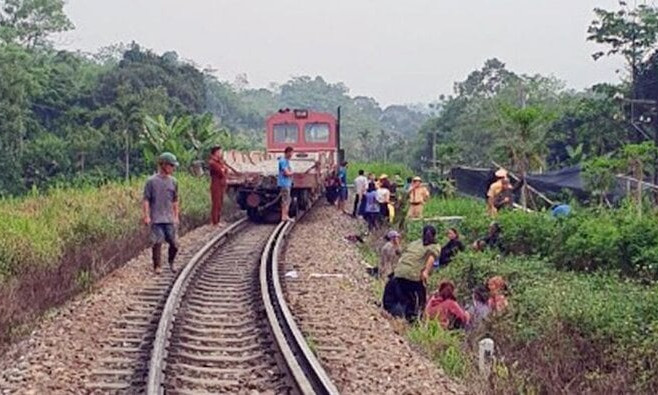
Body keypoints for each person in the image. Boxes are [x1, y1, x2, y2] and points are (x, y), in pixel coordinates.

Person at [384, 225, 441, 321]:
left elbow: (403, 254)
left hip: (399, 272)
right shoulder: (434, 246)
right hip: (412, 275)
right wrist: (426, 272)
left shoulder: (415, 243)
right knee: (418, 299)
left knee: (397, 294)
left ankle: (394, 313)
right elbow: (431, 259)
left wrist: (397, 245)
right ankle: (413, 318)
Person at [143, 152, 180, 274]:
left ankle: (171, 262)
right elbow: (146, 200)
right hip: (157, 218)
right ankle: (157, 266)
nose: (173, 168)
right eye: (171, 165)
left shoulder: (174, 182)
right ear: (163, 165)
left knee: (174, 244)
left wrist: (176, 216)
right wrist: (147, 216)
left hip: (169, 218)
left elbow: (175, 200)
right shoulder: (151, 181)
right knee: (157, 242)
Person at [208, 146, 239, 226]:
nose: (221, 153)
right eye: (220, 152)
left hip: (221, 185)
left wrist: (224, 169)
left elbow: (225, 170)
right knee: (216, 203)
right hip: (216, 185)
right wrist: (223, 169)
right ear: (216, 152)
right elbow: (221, 172)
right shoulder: (212, 163)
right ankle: (215, 222)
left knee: (220, 203)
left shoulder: (218, 162)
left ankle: (218, 220)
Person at [278, 146, 294, 222]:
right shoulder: (283, 161)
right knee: (286, 200)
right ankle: (284, 216)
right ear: (287, 152)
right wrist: (292, 173)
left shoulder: (286, 161)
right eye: (291, 153)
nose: (292, 155)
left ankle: (285, 215)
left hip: (286, 183)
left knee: (287, 200)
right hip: (284, 183)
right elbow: (286, 173)